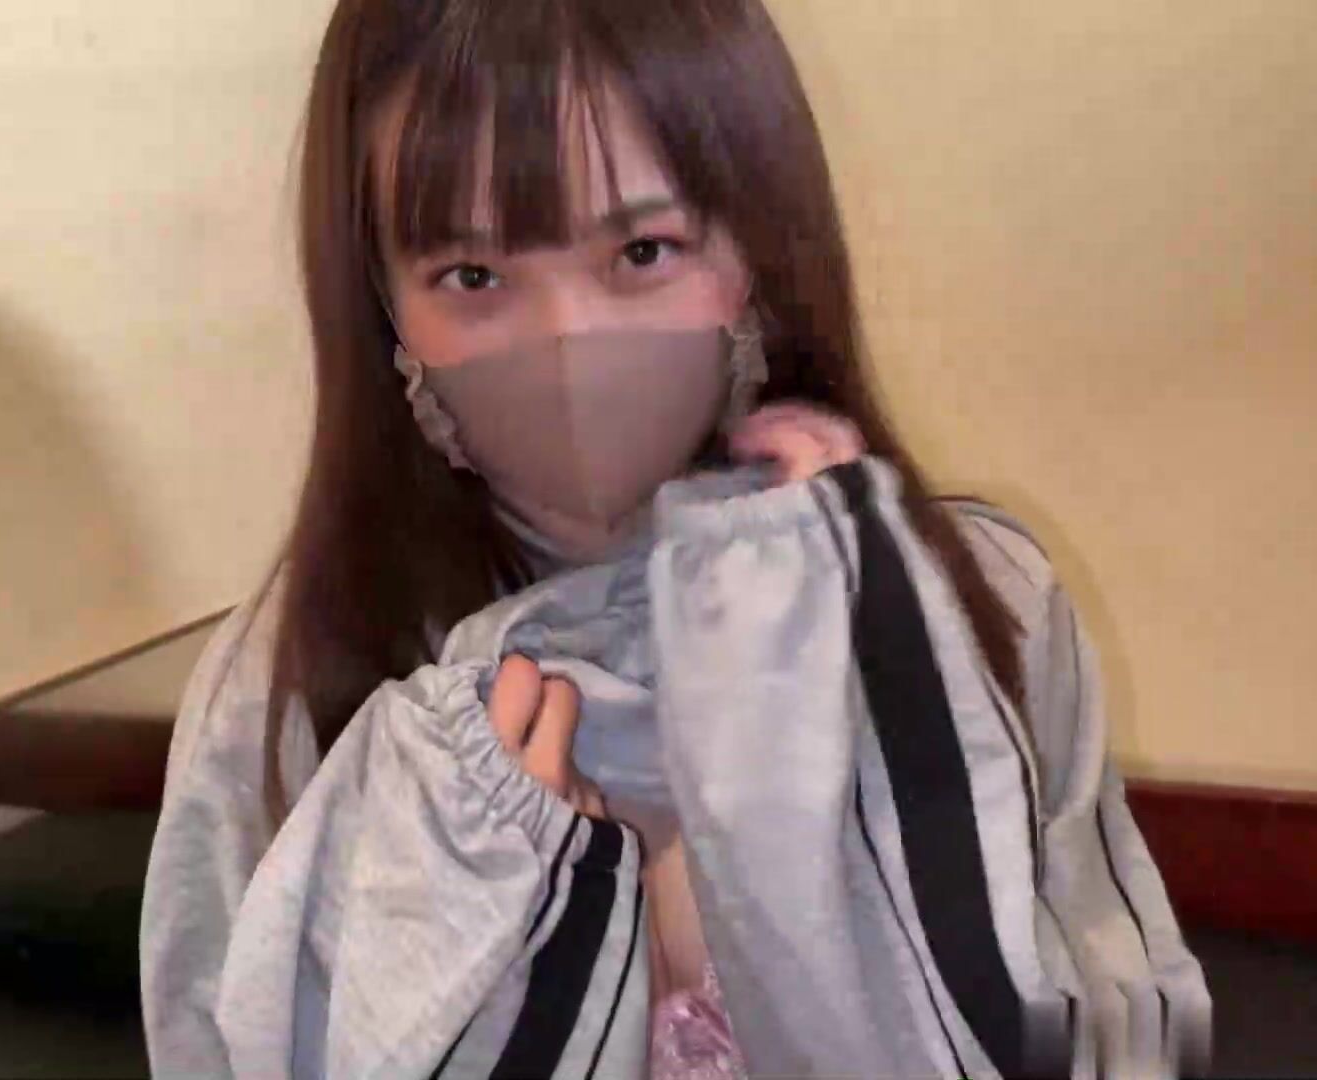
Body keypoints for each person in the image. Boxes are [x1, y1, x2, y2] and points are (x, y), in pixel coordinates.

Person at [141, 0, 1209, 1076]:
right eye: (473, 277)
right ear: (381, 304)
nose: (568, 343)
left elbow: (1119, 1032)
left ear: (761, 249)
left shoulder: (975, 599)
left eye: (643, 250)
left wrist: (893, 737)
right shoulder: (281, 691)